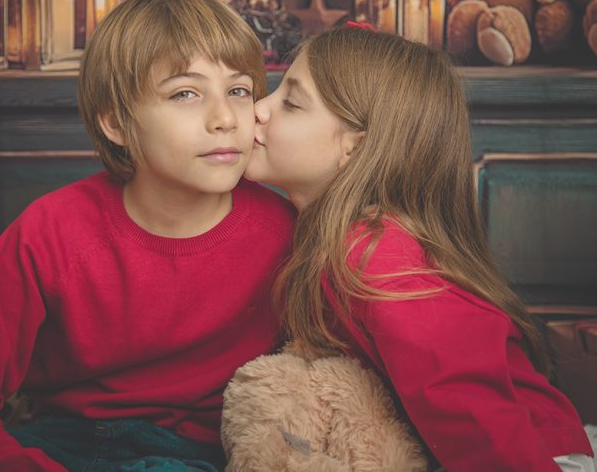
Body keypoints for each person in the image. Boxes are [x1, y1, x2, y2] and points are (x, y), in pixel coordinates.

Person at [0, 0, 295, 471]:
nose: (224, 118)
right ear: (116, 123)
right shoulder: (49, 232)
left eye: (239, 90)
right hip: (61, 444)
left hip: (191, 454)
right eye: (185, 93)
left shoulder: (284, 233)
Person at [243, 25, 594, 472]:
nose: (258, 109)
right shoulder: (320, 233)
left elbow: (465, 403)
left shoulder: (376, 254)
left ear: (357, 147)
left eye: (290, 103)